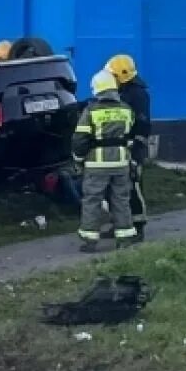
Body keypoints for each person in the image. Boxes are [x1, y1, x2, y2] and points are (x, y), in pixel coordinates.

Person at [73, 69, 138, 253]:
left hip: (96, 165)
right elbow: (130, 136)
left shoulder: (91, 111)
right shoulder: (126, 109)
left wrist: (78, 159)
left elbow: (80, 139)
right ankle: (125, 237)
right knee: (121, 199)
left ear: (97, 89)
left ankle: (90, 240)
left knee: (92, 200)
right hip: (121, 164)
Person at [106, 54, 151, 239]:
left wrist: (137, 147)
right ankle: (121, 224)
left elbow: (142, 124)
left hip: (132, 148)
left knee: (132, 187)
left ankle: (138, 226)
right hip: (117, 147)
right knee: (114, 188)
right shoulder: (120, 92)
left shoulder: (138, 95)